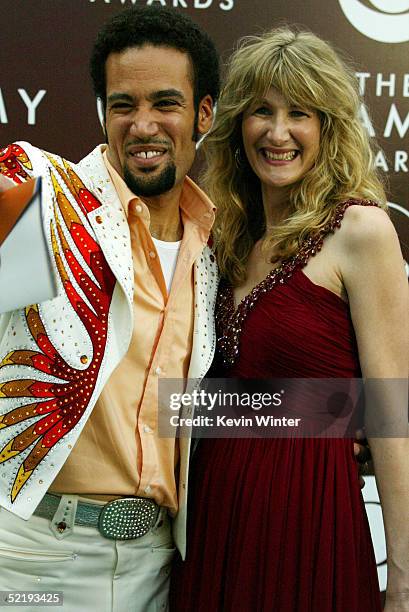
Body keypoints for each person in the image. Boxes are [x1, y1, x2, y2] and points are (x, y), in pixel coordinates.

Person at [170, 27, 409, 611]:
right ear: (236, 127)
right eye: (262, 113)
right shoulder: (222, 235)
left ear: (328, 127)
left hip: (310, 516)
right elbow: (198, 395)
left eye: (299, 113)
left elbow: (394, 410)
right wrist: (323, 404)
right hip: (214, 514)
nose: (278, 133)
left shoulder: (360, 230)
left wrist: (403, 577)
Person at [0, 7, 220, 612]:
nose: (143, 125)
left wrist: (347, 416)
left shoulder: (214, 250)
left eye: (166, 103)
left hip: (158, 562)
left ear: (203, 113)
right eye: (123, 104)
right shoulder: (46, 199)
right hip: (33, 557)